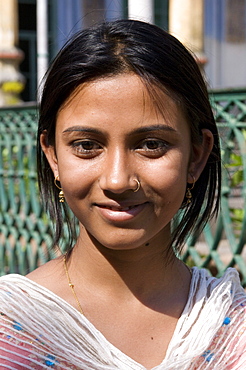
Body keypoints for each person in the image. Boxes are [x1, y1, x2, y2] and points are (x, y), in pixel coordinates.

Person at [0, 19, 245, 370]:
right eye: (86, 146)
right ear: (52, 155)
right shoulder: (11, 329)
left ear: (197, 155)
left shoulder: (231, 330)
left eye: (151, 145)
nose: (117, 180)